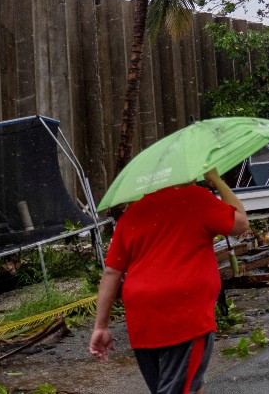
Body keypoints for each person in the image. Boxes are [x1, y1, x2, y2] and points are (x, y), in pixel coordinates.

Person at [90, 168, 249, 394]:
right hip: (184, 318)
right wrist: (216, 180)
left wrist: (101, 326)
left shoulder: (132, 214)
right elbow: (241, 224)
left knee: (184, 387)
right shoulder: (196, 199)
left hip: (143, 323)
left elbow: (111, 273)